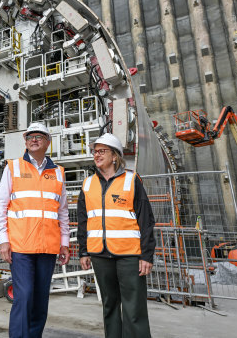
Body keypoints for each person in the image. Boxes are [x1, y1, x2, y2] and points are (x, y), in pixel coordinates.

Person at [0, 122, 70, 338]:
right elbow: (1, 206)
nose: (33, 139)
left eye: (39, 136)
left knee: (40, 299)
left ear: (48, 142)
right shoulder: (13, 167)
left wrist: (64, 242)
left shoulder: (58, 173)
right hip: (20, 246)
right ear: (25, 142)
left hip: (48, 247)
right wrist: (3, 240)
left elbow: (62, 212)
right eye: (30, 136)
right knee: (24, 296)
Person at [77, 133, 155, 338]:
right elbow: (83, 222)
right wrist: (83, 251)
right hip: (99, 254)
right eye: (95, 151)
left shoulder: (131, 180)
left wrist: (146, 255)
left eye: (102, 151)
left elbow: (146, 220)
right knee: (109, 304)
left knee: (134, 307)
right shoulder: (87, 185)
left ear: (115, 156)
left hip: (129, 255)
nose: (97, 155)